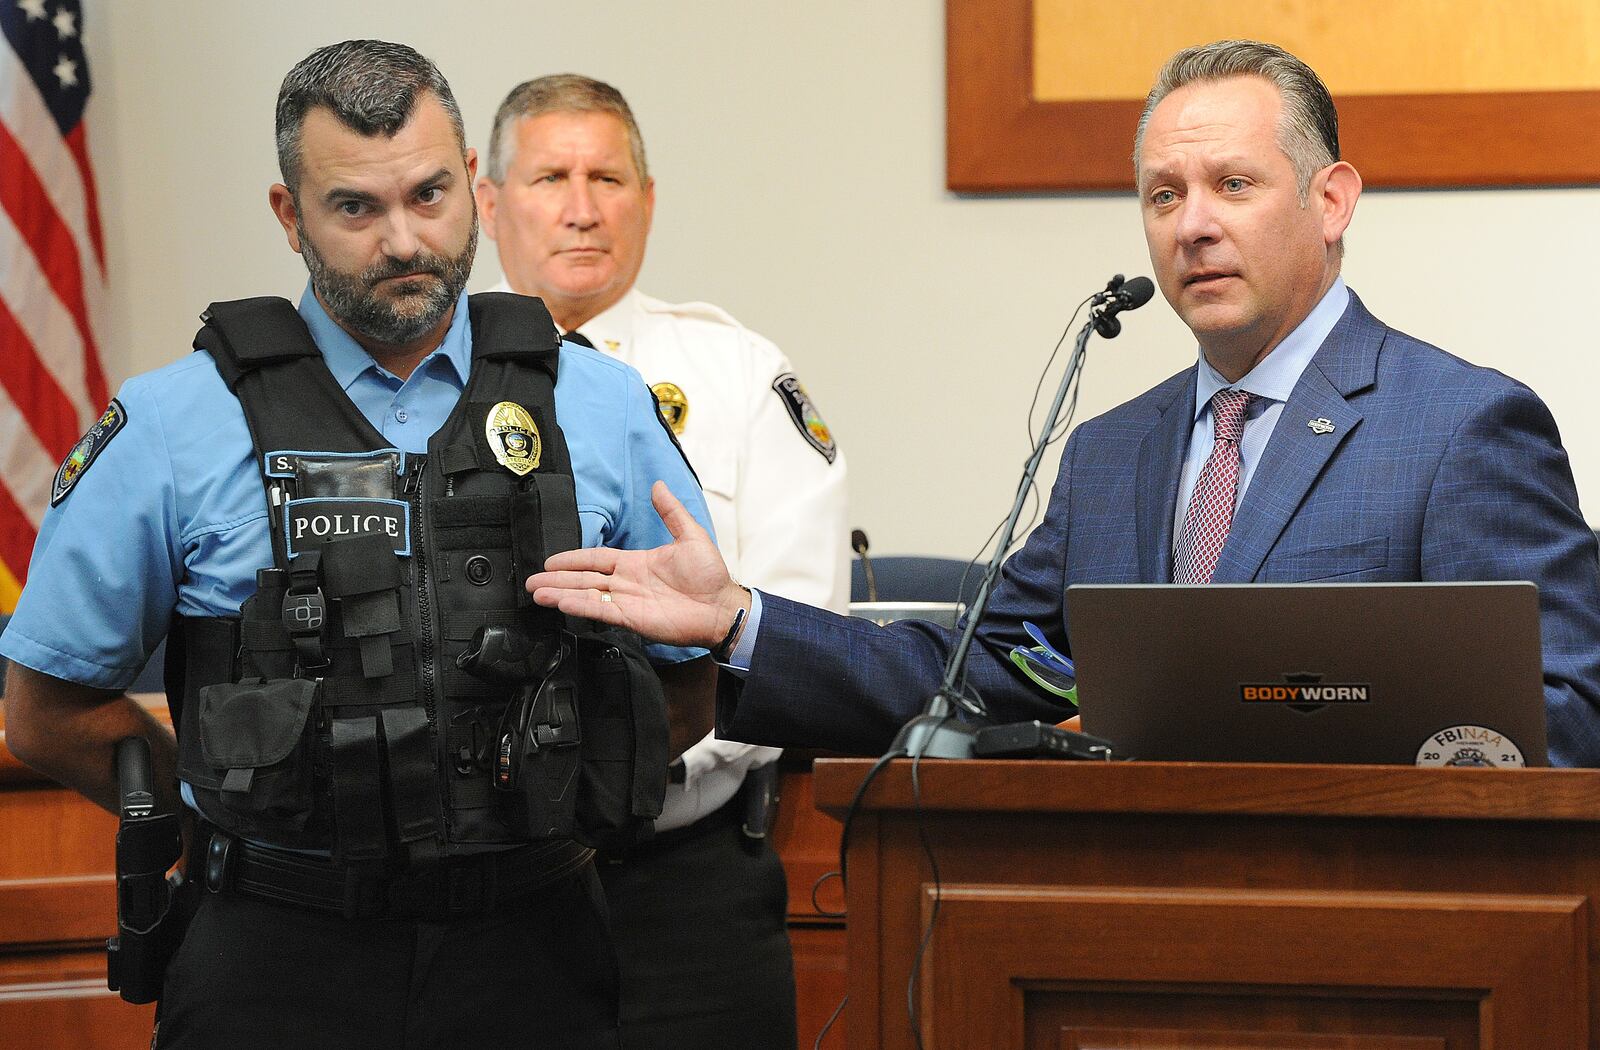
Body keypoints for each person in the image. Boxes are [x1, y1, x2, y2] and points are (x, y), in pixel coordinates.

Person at [525, 40, 1600, 767]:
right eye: (1163, 195)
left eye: (1233, 185)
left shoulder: (1459, 427)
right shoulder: (1111, 453)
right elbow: (979, 675)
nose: (1192, 226)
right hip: (1120, 928)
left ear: (1331, 201)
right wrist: (737, 619)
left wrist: (1306, 717)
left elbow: (1566, 716)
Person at [0, 40, 718, 1050]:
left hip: (534, 951)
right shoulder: (172, 421)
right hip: (274, 956)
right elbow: (45, 710)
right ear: (289, 214)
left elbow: (689, 676)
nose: (402, 241)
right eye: (355, 209)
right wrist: (244, 798)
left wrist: (559, 782)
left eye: (429, 195)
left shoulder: (600, 405)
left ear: (472, 182)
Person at [475, 74, 849, 1049]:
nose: (583, 207)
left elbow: (796, 628)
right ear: (488, 202)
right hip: (471, 891)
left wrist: (622, 772)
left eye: (609, 177)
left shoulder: (739, 374)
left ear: (648, 199)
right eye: (550, 176)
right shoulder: (422, 385)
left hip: (681, 877)